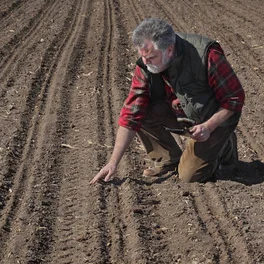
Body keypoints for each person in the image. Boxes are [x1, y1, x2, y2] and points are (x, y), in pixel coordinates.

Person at [90, 17, 245, 184]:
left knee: (189, 176)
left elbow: (234, 98)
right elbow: (131, 114)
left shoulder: (206, 55)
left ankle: (225, 146)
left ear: (169, 50)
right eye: (142, 56)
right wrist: (112, 163)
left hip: (212, 119)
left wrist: (209, 127)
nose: (145, 62)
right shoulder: (145, 67)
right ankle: (169, 159)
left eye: (151, 57)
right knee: (142, 109)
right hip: (183, 114)